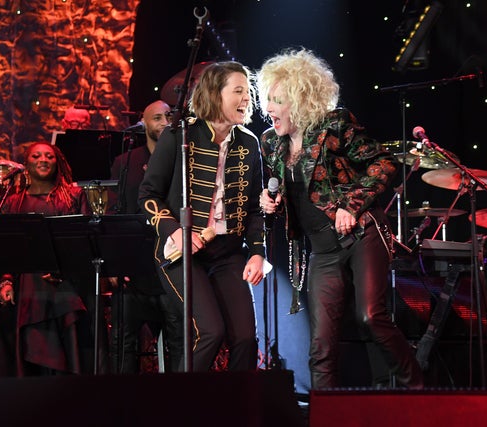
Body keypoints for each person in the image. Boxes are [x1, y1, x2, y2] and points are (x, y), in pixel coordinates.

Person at [256, 48, 424, 390]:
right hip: (322, 251)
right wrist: (268, 201)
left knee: (371, 317)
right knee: (321, 344)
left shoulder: (334, 125)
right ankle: (324, 413)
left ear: (301, 99)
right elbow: (281, 192)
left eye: (277, 100)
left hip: (362, 236)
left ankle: (418, 391)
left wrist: (351, 204)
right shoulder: (271, 143)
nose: (269, 108)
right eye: (267, 100)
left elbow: (385, 163)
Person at [138, 61, 265, 372]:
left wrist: (259, 253)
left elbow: (254, 209)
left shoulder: (249, 143)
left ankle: (239, 409)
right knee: (210, 331)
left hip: (228, 253)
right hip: (182, 253)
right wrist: (176, 230)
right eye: (238, 91)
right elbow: (147, 197)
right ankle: (180, 408)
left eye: (247, 91)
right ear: (214, 94)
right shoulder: (179, 135)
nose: (247, 98)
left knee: (247, 338)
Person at [0, 141, 94, 377]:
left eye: (49, 156)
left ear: (57, 163)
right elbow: (5, 249)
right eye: (36, 156)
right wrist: (6, 281)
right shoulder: (12, 201)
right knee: (28, 281)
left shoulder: (74, 196)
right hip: (25, 290)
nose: (43, 160)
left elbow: (82, 242)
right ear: (26, 164)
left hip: (63, 285)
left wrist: (63, 270)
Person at [107, 99, 183, 373]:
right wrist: (114, 263)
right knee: (123, 342)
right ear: (143, 124)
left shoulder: (184, 158)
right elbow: (115, 213)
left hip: (170, 264)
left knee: (178, 340)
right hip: (134, 267)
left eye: (168, 117)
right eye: (157, 118)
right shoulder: (125, 162)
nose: (164, 123)